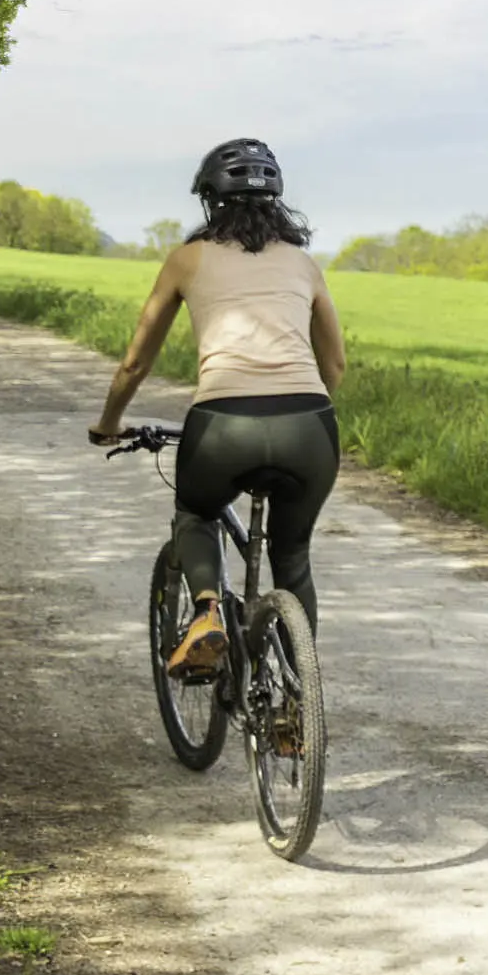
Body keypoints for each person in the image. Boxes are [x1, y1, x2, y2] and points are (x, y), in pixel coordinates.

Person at [89, 138, 347, 679]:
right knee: (292, 556)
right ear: (276, 200)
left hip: (224, 425)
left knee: (196, 512)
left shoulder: (188, 259)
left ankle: (207, 612)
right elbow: (336, 367)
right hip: (310, 426)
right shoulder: (303, 263)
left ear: (210, 200)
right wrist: (300, 411)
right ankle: (298, 701)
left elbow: (135, 363)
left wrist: (108, 424)